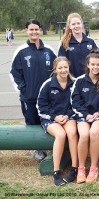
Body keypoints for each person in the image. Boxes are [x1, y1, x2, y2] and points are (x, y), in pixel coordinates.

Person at [10, 19, 57, 161]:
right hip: (29, 97)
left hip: (48, 98)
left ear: (40, 30)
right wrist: (24, 90)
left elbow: (57, 70)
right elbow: (14, 73)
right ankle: (38, 149)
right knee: (32, 122)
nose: (34, 32)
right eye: (31, 29)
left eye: (36, 29)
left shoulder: (49, 50)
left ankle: (50, 145)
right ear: (27, 31)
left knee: (49, 121)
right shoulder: (21, 51)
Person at [37, 56, 78, 186]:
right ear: (55, 69)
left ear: (69, 67)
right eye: (60, 68)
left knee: (71, 133)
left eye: (65, 67)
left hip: (68, 117)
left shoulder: (74, 83)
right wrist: (55, 117)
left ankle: (74, 168)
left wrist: (67, 115)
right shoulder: (48, 84)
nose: (63, 70)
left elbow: (78, 104)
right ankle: (56, 172)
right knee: (61, 135)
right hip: (50, 118)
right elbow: (41, 107)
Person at [71, 51, 99, 184]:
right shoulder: (80, 81)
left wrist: (98, 113)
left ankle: (93, 168)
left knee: (93, 133)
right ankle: (81, 168)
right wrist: (86, 114)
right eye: (93, 64)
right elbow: (75, 102)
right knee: (84, 134)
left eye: (98, 64)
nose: (96, 67)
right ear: (88, 65)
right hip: (83, 115)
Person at [58, 13, 98, 78]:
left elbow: (97, 59)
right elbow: (61, 63)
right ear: (69, 26)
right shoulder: (65, 43)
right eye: (73, 24)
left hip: (88, 79)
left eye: (78, 23)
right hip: (72, 80)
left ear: (82, 24)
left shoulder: (90, 41)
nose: (76, 26)